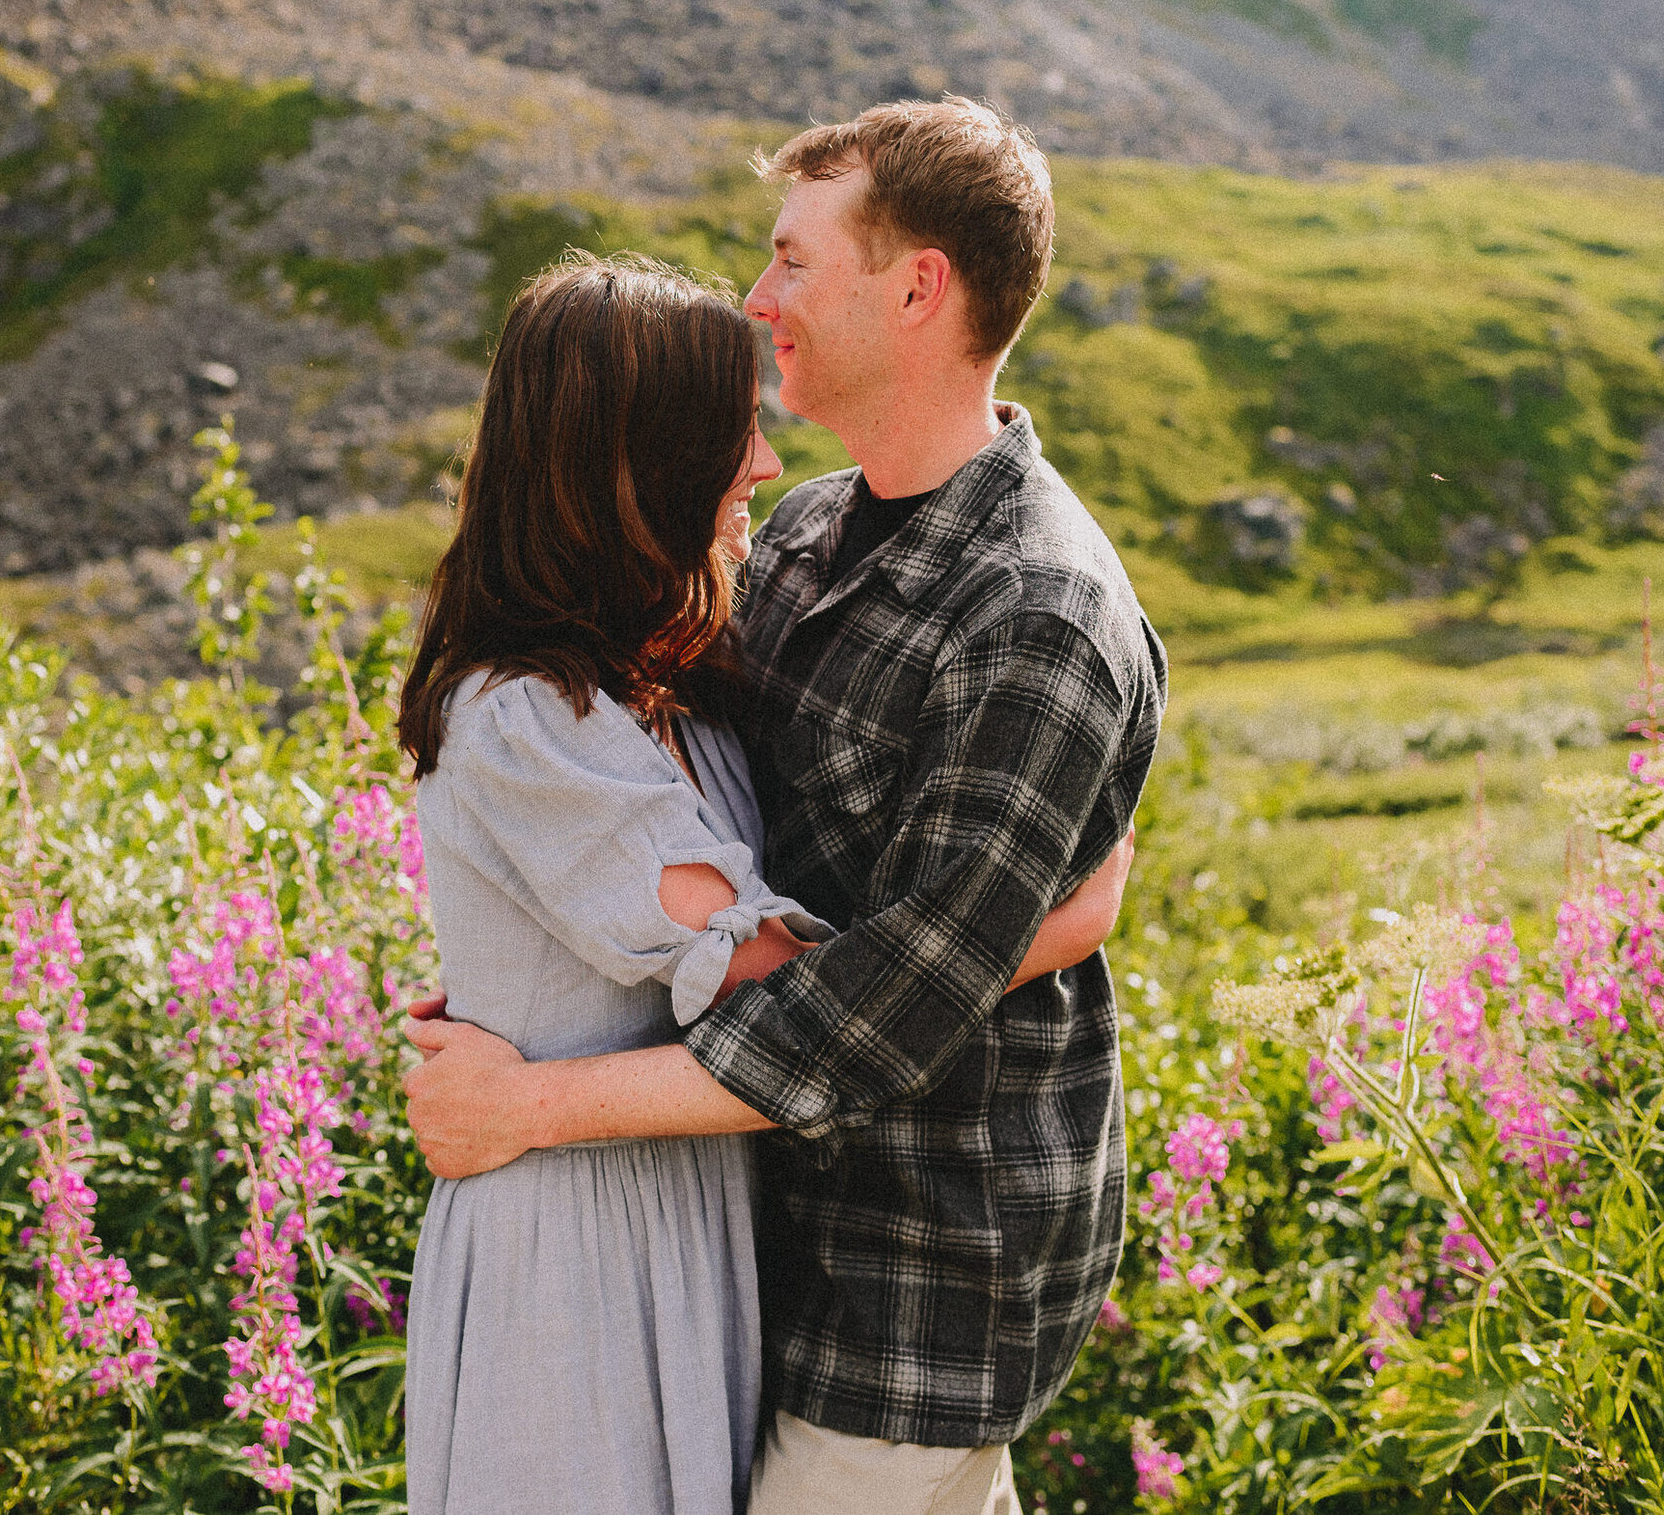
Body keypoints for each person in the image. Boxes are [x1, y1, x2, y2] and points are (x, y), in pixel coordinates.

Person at [405, 97, 1167, 1515]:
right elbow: (635, 806)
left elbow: (876, 1018)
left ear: (918, 287)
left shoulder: (1037, 615)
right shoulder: (806, 539)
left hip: (912, 1289)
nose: (761, 300)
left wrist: (528, 1102)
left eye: (794, 261)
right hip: (745, 1244)